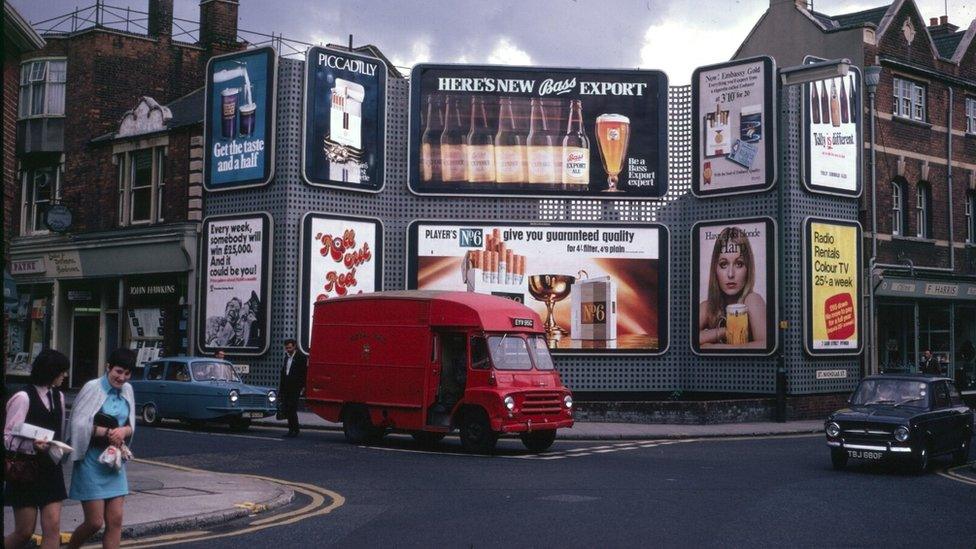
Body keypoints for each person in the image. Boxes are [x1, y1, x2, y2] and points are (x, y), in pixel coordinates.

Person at [67, 349, 137, 549]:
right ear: (108, 367)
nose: (122, 377)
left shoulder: (128, 390)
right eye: (118, 371)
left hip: (114, 463)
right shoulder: (92, 387)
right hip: (90, 461)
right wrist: (107, 432)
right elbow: (78, 425)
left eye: (127, 373)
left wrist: (124, 430)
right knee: (94, 522)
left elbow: (131, 425)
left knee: (115, 521)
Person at [4, 350, 70, 549]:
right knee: (24, 532)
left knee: (53, 528)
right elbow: (7, 438)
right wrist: (31, 445)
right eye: (61, 371)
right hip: (26, 471)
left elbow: (59, 431)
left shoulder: (58, 396)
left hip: (51, 468)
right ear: (50, 372)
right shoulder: (23, 397)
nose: (64, 376)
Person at [698, 226, 767, 348]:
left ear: (748, 268)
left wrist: (716, 348)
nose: (731, 274)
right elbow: (682, 338)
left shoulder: (752, 300)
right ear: (715, 269)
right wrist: (723, 331)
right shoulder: (708, 307)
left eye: (739, 264)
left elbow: (765, 344)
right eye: (723, 264)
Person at [278, 339, 307, 438]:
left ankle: (295, 430)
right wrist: (281, 389)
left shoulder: (301, 358)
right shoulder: (286, 358)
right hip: (286, 387)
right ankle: (291, 429)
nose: (288, 349)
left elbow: (303, 374)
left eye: (290, 347)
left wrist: (302, 387)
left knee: (292, 409)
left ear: (294, 346)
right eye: (286, 348)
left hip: (295, 388)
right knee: (288, 409)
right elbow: (284, 373)